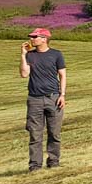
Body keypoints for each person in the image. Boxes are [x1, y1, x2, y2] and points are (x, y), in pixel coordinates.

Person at [19, 27, 66, 172]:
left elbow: (62, 75)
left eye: (35, 37)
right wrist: (23, 55)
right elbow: (24, 74)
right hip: (34, 99)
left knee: (54, 133)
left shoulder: (56, 54)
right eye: (31, 36)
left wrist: (62, 95)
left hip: (53, 98)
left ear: (44, 39)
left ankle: (53, 162)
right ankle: (35, 165)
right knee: (35, 135)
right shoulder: (30, 55)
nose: (31, 39)